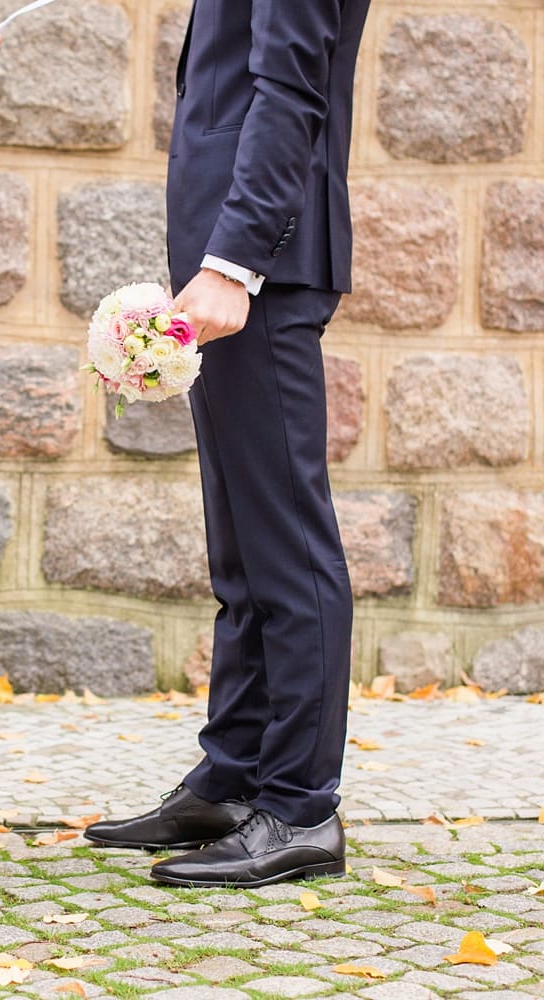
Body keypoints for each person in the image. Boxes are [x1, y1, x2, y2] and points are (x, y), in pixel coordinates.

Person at [85, 0, 372, 888]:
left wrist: (234, 262)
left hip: (263, 266)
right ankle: (234, 775)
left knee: (286, 538)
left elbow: (288, 92)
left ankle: (299, 807)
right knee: (243, 546)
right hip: (230, 256)